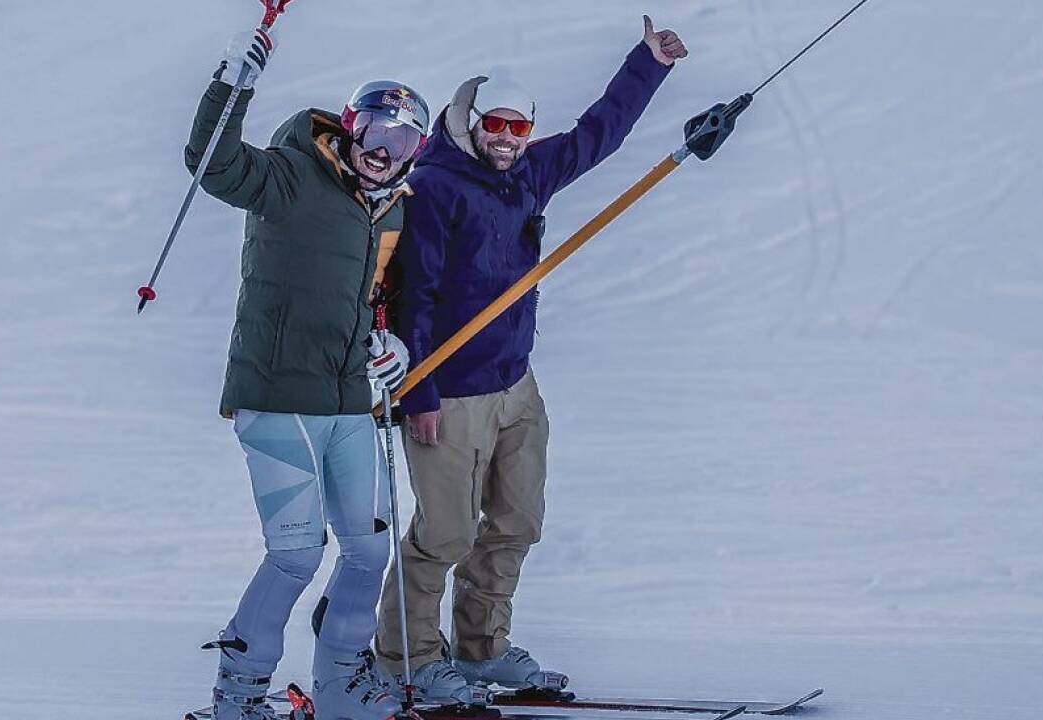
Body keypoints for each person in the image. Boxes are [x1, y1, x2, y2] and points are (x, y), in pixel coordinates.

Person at [374, 16, 689, 704]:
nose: (508, 141)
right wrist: (418, 395)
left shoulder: (527, 173)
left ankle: (482, 650)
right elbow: (413, 301)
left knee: (517, 521)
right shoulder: (435, 186)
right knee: (445, 534)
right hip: (449, 390)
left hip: (516, 382)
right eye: (497, 127)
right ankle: (408, 658)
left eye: (519, 130)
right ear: (470, 120)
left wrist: (649, 63)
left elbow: (594, 137)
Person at [184, 26, 430, 720]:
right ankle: (238, 699)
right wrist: (233, 84)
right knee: (295, 556)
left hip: (350, 403)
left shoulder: (381, 211)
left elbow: (364, 305)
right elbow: (213, 165)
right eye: (378, 133)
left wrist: (390, 350)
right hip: (278, 399)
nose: (386, 153)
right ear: (350, 129)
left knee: (367, 550)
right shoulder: (290, 176)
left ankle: (340, 687)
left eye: (406, 143)